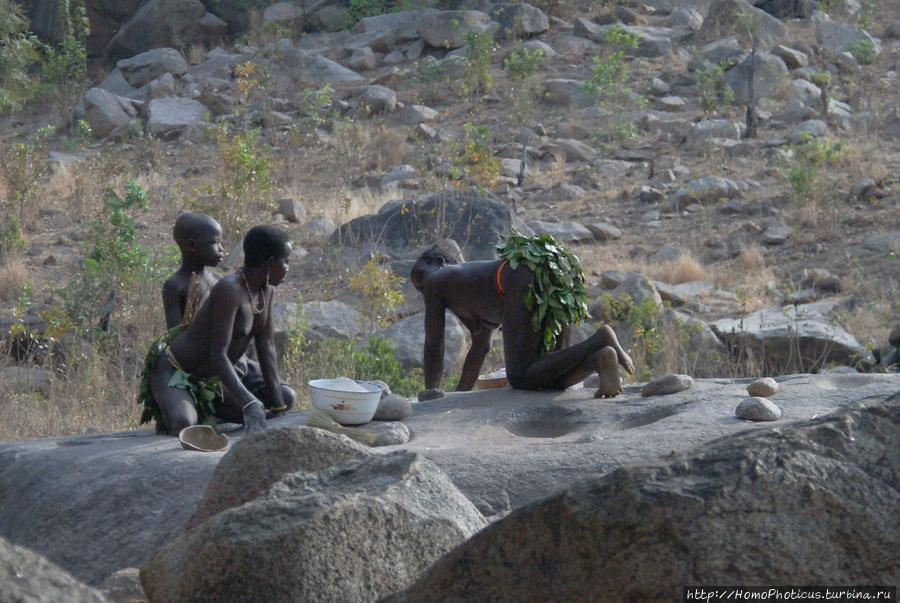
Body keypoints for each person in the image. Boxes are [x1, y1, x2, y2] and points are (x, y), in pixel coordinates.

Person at [410, 234, 635, 398]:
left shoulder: (438, 280)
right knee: (551, 378)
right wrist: (459, 396)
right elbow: (480, 349)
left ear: (439, 263)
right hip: (557, 270)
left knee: (519, 375)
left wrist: (430, 393)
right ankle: (599, 358)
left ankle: (600, 338)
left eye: (420, 278)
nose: (423, 290)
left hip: (522, 273)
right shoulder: (471, 290)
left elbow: (434, 345)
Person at [139, 225, 295, 435]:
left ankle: (215, 406)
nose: (288, 267)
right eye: (285, 261)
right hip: (179, 370)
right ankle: (185, 403)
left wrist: (278, 407)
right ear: (269, 263)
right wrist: (248, 402)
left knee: (286, 397)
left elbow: (266, 347)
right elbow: (217, 354)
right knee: (183, 424)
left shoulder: (267, 291)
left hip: (219, 375)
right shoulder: (230, 289)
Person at [163, 212, 225, 329]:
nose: (221, 249)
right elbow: (174, 333)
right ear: (192, 245)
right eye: (215, 242)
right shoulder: (175, 286)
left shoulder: (217, 279)